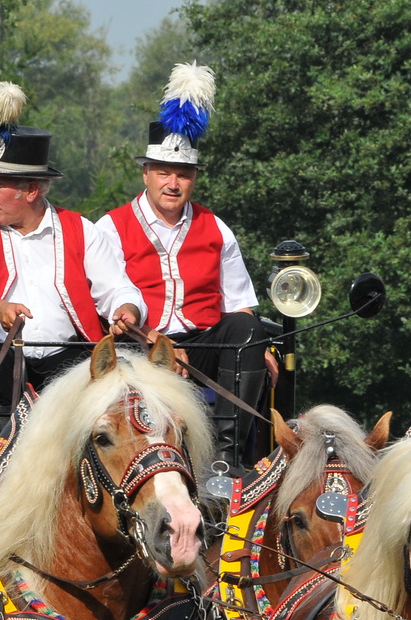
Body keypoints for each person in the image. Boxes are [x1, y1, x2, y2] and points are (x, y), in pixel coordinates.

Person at [96, 63, 278, 468]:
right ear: (146, 173)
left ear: (194, 178)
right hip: (138, 345)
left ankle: (227, 460)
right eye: (163, 172)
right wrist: (158, 343)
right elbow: (107, 307)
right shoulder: (110, 227)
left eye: (183, 174)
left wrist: (256, 348)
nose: (172, 184)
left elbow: (239, 305)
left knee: (249, 330)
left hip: (204, 344)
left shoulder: (216, 228)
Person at [0, 82, 144, 394]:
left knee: (98, 389)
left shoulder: (81, 230)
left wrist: (127, 309)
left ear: (31, 191)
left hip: (65, 356)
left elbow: (117, 289)